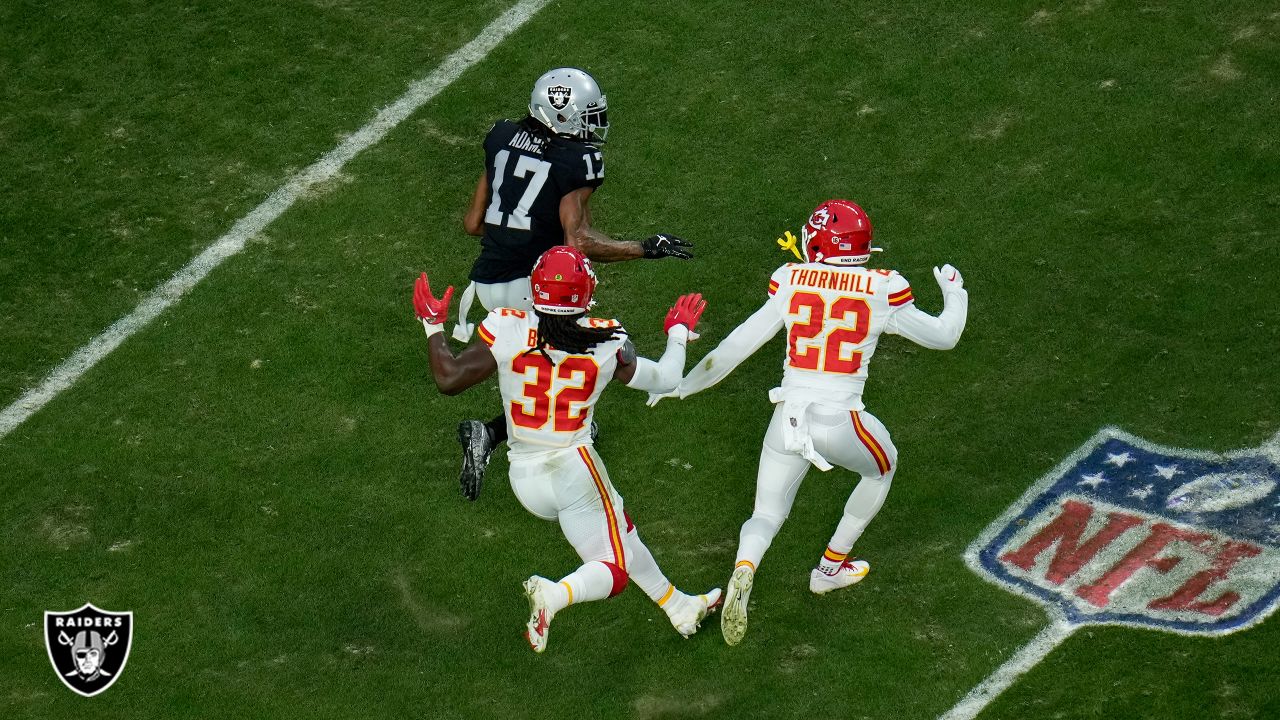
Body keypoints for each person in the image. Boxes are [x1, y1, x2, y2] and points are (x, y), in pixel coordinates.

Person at [649, 199, 968, 645]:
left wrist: (681, 386)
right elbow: (944, 335)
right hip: (840, 420)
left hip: (787, 416)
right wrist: (955, 290)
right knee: (883, 468)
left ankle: (745, 566)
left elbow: (738, 346)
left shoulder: (791, 279)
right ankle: (829, 569)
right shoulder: (882, 287)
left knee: (765, 513)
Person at [413, 245, 720, 653]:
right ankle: (554, 595)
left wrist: (433, 325)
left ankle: (679, 606)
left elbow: (449, 378)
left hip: (523, 475)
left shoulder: (506, 326)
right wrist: (678, 333)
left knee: (620, 530)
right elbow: (665, 379)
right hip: (573, 470)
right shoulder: (606, 340)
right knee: (612, 570)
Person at [452, 67, 693, 502]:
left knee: (545, 364)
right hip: (535, 285)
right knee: (587, 357)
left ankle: (514, 430)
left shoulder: (501, 135)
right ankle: (492, 434)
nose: (594, 124)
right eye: (587, 114)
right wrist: (645, 247)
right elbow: (577, 241)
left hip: (488, 283)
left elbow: (473, 223)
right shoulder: (575, 160)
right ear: (562, 116)